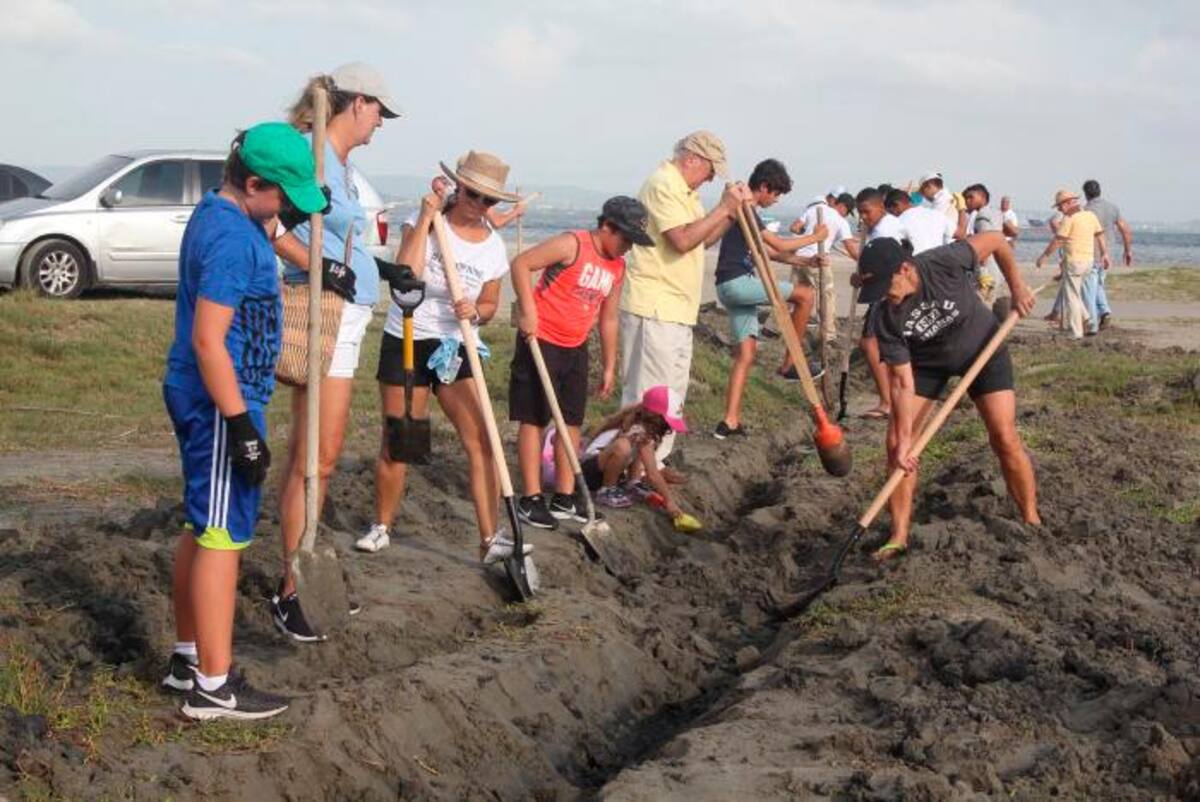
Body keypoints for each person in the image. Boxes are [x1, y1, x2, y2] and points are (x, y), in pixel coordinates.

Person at [162, 123, 326, 718]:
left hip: (203, 392)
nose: (287, 211)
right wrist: (242, 426)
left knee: (200, 525)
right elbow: (210, 339)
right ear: (253, 183)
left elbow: (279, 229)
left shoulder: (224, 212)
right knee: (223, 537)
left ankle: (188, 660)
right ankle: (214, 685)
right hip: (219, 399)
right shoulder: (233, 240)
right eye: (282, 197)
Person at [268, 63, 401, 641]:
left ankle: (306, 570)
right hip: (320, 314)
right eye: (378, 112)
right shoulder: (309, 153)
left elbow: (347, 235)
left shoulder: (344, 167)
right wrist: (319, 265)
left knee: (321, 456)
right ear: (356, 103)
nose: (380, 124)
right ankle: (291, 587)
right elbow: (274, 225)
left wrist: (383, 269)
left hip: (349, 312)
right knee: (312, 458)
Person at [360, 151, 532, 567]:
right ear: (459, 188)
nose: (480, 207)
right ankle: (382, 526)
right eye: (474, 195)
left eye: (490, 202)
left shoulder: (493, 244)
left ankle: (490, 538)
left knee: (484, 441)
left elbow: (491, 303)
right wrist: (425, 218)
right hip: (409, 336)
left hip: (456, 346)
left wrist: (477, 312)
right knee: (403, 437)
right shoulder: (428, 224)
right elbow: (406, 276)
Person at [855, 233, 1040, 561]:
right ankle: (899, 535)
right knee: (899, 446)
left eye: (887, 285)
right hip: (928, 365)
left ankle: (1031, 518)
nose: (884, 295)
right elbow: (901, 383)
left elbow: (997, 241)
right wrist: (902, 440)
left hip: (984, 347)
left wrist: (1017, 287)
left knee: (1003, 436)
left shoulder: (942, 261)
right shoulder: (885, 316)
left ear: (905, 269)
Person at [506, 196, 651, 529]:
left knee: (571, 421)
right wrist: (528, 312)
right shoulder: (572, 244)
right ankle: (530, 499)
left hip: (576, 347)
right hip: (540, 340)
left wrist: (610, 365)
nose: (628, 246)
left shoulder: (617, 267)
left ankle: (564, 496)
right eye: (626, 238)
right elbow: (521, 264)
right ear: (606, 227)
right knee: (534, 419)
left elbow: (609, 318)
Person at [619, 131, 752, 477]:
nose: (710, 179)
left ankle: (655, 462)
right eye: (710, 171)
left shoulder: (687, 193)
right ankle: (633, 465)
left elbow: (701, 239)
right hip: (655, 305)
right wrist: (723, 207)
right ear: (692, 158)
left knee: (671, 394)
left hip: (677, 308)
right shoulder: (663, 184)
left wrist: (730, 215)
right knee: (648, 394)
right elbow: (681, 240)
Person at [713, 159, 828, 438]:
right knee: (805, 295)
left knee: (746, 355)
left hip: (728, 287)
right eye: (776, 194)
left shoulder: (744, 209)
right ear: (763, 187)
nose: (776, 201)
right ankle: (789, 364)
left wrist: (807, 260)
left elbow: (770, 253)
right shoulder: (747, 208)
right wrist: (816, 236)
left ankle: (729, 422)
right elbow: (777, 244)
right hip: (738, 283)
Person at [581, 385, 701, 532]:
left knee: (640, 448)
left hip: (601, 469)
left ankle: (633, 482)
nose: (668, 428)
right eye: (667, 422)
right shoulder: (638, 429)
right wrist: (669, 502)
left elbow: (642, 458)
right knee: (623, 447)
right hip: (588, 473)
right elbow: (652, 474)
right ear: (656, 418)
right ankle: (606, 491)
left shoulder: (643, 426)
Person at [853, 188, 905, 420]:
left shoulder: (885, 231)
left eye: (867, 212)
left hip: (888, 289)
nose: (863, 217)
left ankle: (887, 402)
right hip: (887, 287)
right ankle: (893, 398)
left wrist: (862, 277)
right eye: (860, 213)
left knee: (869, 342)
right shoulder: (878, 227)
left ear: (881, 208)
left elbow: (885, 264)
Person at [1035, 189, 1107, 339]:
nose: (1059, 209)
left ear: (1068, 203)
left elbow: (1058, 240)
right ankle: (1087, 319)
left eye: (1060, 206)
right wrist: (1105, 254)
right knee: (1075, 294)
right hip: (1089, 261)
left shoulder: (1069, 219)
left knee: (1072, 297)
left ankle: (1076, 332)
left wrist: (1044, 256)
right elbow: (1100, 235)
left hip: (1075, 262)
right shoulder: (1090, 216)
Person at [790, 192, 860, 345]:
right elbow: (850, 248)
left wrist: (808, 234)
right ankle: (828, 336)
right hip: (817, 261)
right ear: (844, 207)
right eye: (848, 212)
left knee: (790, 295)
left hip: (798, 258)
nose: (847, 215)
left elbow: (794, 227)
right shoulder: (840, 221)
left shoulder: (814, 209)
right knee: (827, 298)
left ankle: (772, 329)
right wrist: (864, 262)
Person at [1082, 179, 1134, 331]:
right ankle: (1104, 312)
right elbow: (1125, 229)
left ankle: (1092, 322)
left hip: (1091, 252)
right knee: (1098, 284)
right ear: (1100, 191)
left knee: (1090, 288)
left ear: (1085, 194)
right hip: (1108, 252)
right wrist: (1127, 250)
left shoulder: (1085, 210)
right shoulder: (1112, 207)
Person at [433, 173, 530, 230]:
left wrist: (514, 211)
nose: (439, 193)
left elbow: (496, 221)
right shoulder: (443, 205)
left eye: (440, 189)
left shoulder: (471, 198)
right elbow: (497, 222)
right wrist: (517, 211)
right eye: (435, 191)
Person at [884, 189, 955, 254]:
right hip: (938, 263)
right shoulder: (936, 214)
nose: (892, 216)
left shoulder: (898, 222)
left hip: (916, 264)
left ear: (896, 205)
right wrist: (962, 209)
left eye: (891, 212)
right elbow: (961, 233)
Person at [963, 183, 1000, 300]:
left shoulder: (982, 215)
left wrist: (983, 272)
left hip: (987, 269)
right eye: (966, 198)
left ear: (983, 198)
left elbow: (986, 244)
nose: (967, 201)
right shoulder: (996, 213)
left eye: (971, 197)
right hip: (997, 266)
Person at [919, 172, 968, 240]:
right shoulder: (945, 198)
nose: (923, 196)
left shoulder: (941, 200)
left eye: (922, 191)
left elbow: (931, 225)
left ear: (929, 185)